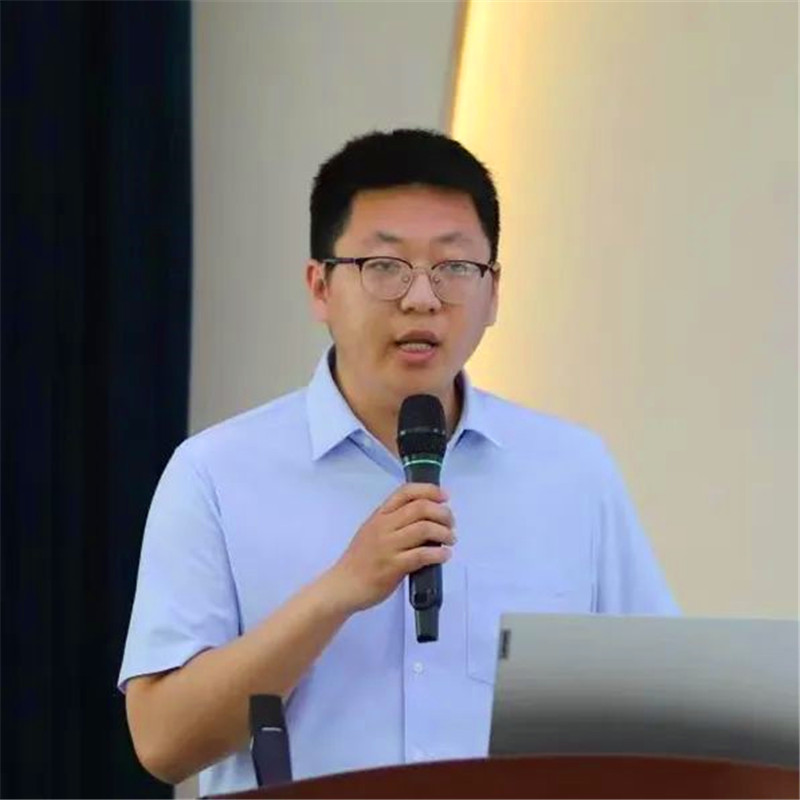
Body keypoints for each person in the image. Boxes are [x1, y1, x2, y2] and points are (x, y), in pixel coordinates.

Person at [119, 129, 678, 796]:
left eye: (454, 267)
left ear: (493, 292)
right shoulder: (216, 473)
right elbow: (163, 743)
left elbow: (665, 715)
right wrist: (341, 590)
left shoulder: (571, 472)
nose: (421, 297)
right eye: (384, 267)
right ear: (320, 287)